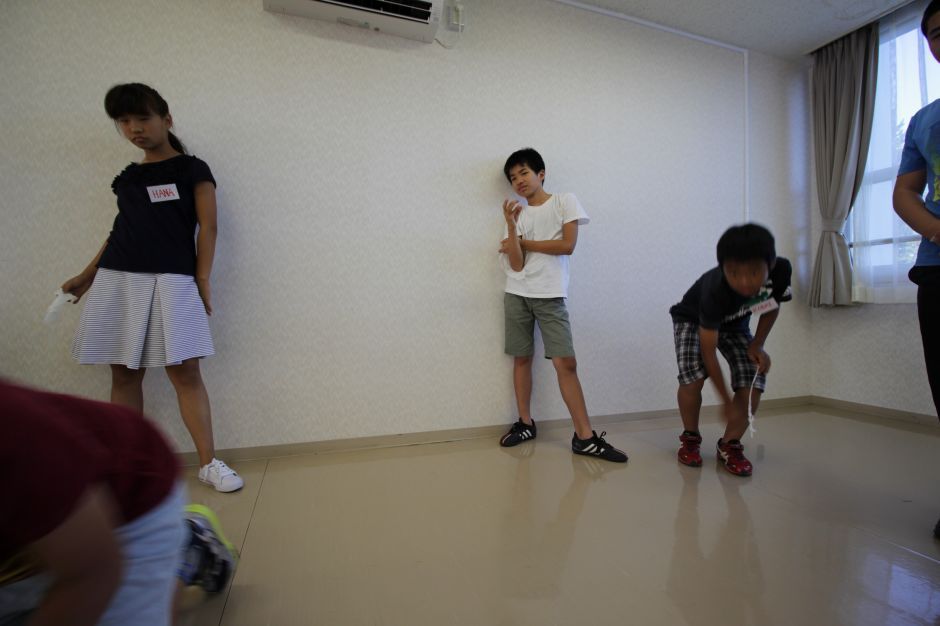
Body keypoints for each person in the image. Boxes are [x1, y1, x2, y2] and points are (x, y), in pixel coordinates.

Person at [61, 83, 241, 492]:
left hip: (172, 279)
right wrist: (87, 276)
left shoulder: (192, 169)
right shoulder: (128, 177)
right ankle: (128, 467)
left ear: (166, 119)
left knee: (186, 370)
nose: (134, 128)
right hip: (118, 279)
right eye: (124, 121)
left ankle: (209, 464)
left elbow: (208, 228)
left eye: (142, 118)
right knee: (124, 373)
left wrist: (202, 278)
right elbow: (119, 231)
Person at [0, 380, 237, 626]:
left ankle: (186, 549)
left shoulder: (16, 440)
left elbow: (94, 573)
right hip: (47, 519)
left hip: (133, 489)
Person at [496, 148, 627, 463]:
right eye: (513, 178)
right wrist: (512, 227)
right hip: (516, 293)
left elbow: (567, 246)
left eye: (524, 173)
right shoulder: (516, 214)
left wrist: (524, 242)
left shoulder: (564, 201)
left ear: (541, 174)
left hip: (551, 295)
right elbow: (515, 265)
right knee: (522, 359)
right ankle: (526, 423)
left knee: (566, 364)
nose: (519, 181)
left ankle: (584, 437)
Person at [668, 224, 792, 476]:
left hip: (736, 324)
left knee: (753, 375)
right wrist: (725, 401)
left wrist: (758, 343)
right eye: (734, 273)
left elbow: (771, 304)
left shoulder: (781, 271)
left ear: (770, 264)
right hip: (692, 320)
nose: (744, 282)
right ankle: (690, 438)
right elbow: (708, 352)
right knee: (693, 377)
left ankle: (730, 444)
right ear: (723, 267)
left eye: (755, 273)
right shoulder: (715, 289)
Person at [892, 0, 940, 539]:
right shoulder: (924, 121)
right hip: (936, 269)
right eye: (933, 33)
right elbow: (905, 193)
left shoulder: (772, 280)